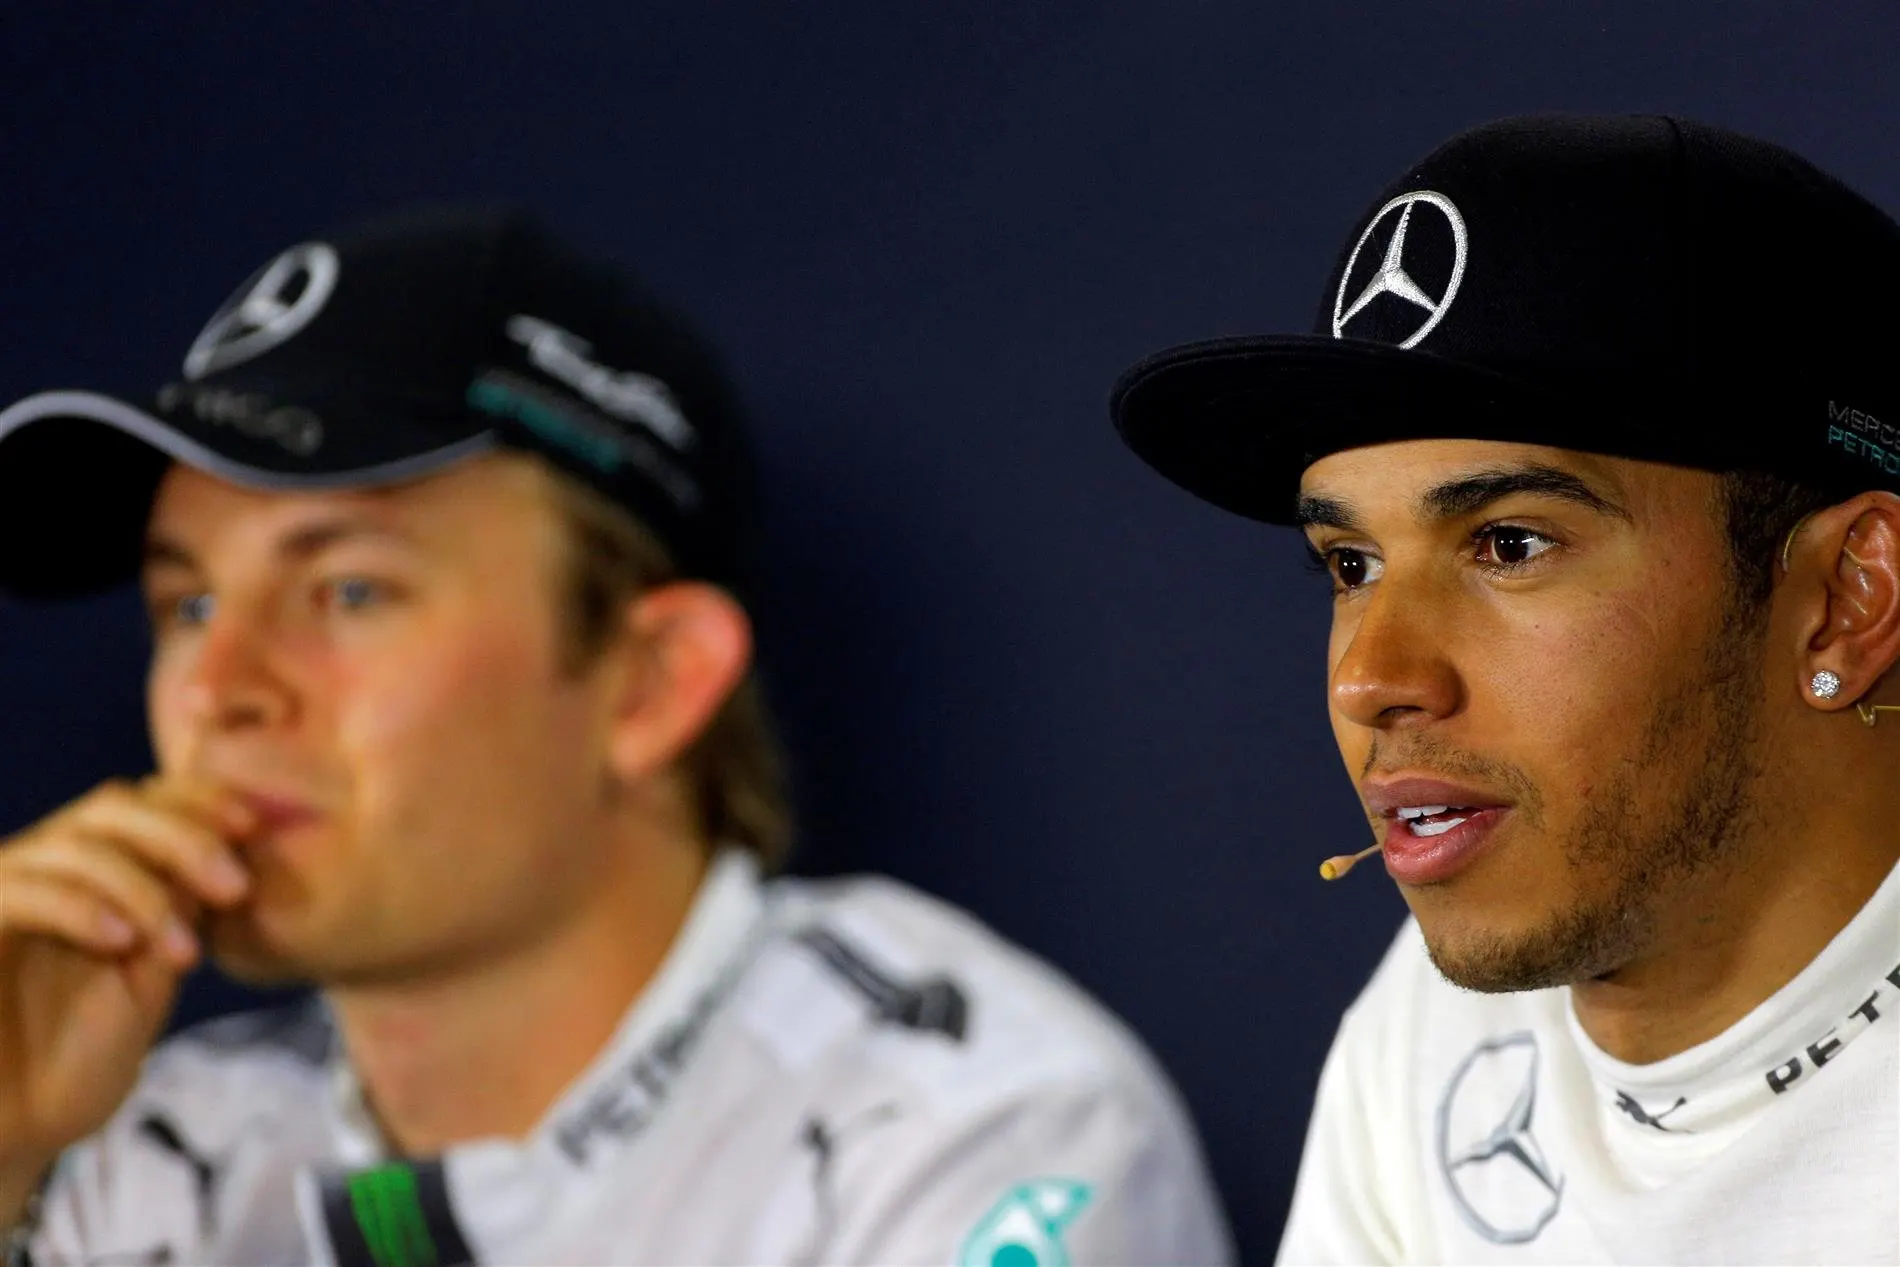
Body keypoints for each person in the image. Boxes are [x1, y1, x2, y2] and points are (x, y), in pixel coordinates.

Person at [0, 206, 1233, 1265]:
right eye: (188, 603)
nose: (216, 688)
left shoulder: (974, 1128)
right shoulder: (123, 1145)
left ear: (648, 683)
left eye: (348, 590)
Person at [1110, 113, 1900, 1265]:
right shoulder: (1430, 1024)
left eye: (1510, 544)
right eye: (1349, 565)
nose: (1372, 677)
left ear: (1845, 597)